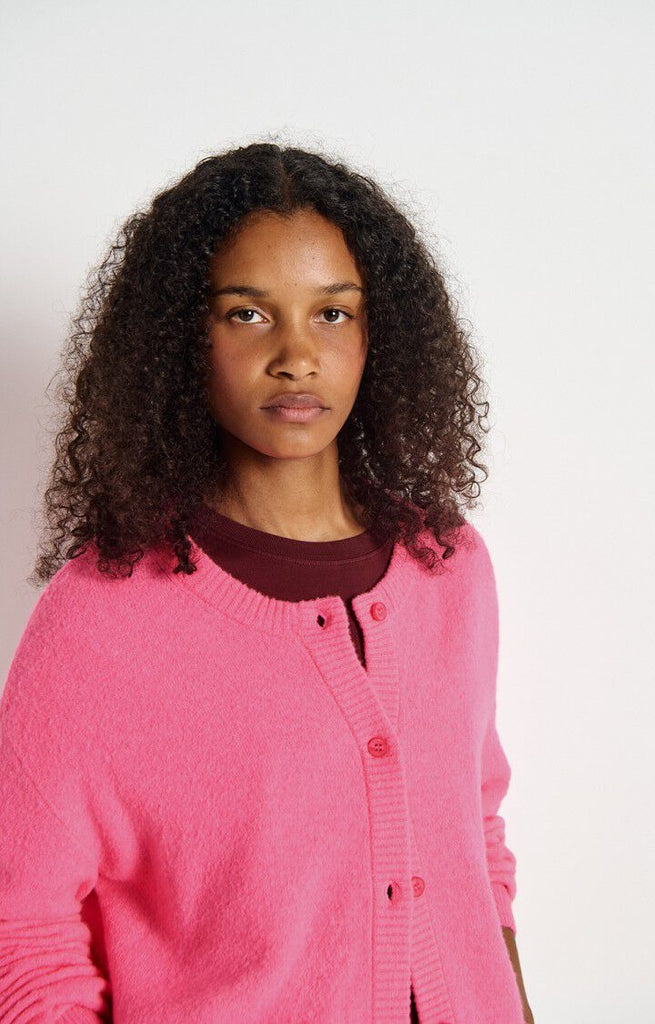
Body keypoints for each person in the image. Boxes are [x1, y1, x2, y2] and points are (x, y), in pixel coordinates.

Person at [0, 141, 534, 1023]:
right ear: (182, 337)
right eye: (247, 314)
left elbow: (476, 843)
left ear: (378, 334)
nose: (296, 355)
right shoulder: (101, 617)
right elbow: (21, 928)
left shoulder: (449, 567)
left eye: (333, 312)